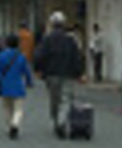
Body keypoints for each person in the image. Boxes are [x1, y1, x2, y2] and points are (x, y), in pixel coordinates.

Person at [33, 11, 84, 139]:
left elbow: (39, 56)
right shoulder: (70, 40)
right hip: (67, 73)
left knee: (54, 99)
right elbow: (77, 57)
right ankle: (61, 122)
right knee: (66, 99)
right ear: (64, 24)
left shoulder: (47, 39)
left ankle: (56, 121)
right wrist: (79, 73)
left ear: (52, 24)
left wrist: (38, 69)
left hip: (51, 74)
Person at [0, 33, 33, 139]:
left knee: (6, 107)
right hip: (18, 86)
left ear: (7, 43)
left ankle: (9, 126)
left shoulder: (1, 56)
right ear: (18, 44)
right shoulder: (21, 56)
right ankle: (15, 124)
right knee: (19, 109)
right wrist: (29, 82)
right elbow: (26, 71)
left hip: (5, 86)